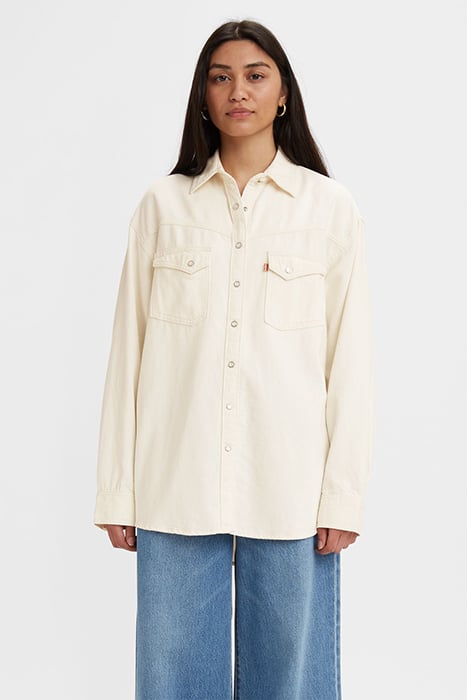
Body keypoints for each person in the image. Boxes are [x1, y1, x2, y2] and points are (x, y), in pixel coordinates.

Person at [93, 18, 375, 700]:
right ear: (203, 95)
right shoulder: (162, 206)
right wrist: (116, 489)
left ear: (283, 94)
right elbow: (128, 353)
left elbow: (350, 363)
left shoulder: (328, 209)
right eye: (220, 78)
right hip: (175, 484)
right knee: (171, 681)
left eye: (255, 76)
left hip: (292, 489)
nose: (238, 91)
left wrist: (343, 494)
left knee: (293, 682)